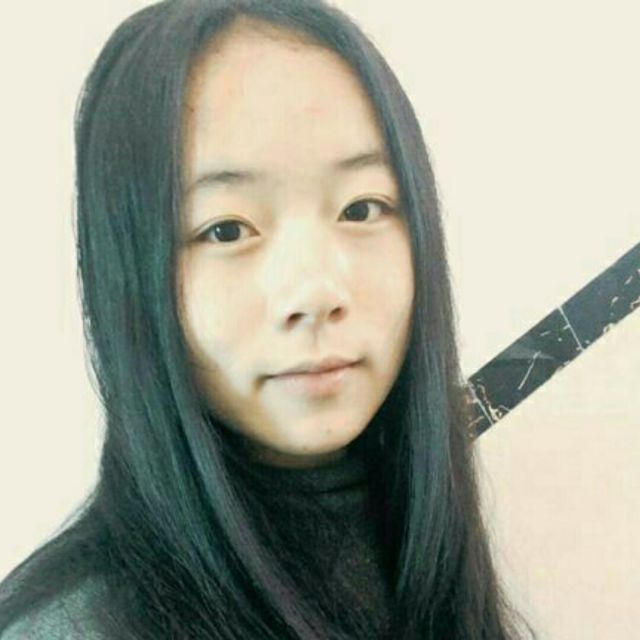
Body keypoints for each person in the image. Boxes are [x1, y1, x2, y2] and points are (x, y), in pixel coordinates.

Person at [0, 0, 538, 638]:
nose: (315, 291)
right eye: (226, 229)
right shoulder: (68, 627)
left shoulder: (417, 532)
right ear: (130, 275)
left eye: (362, 208)